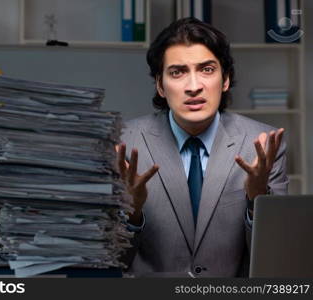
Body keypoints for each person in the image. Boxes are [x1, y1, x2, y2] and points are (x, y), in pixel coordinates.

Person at [117, 18, 288, 277]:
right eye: (177, 72)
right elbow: (111, 261)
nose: (194, 86)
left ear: (226, 79)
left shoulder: (263, 144)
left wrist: (257, 199)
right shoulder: (122, 144)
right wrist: (132, 213)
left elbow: (275, 258)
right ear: (160, 86)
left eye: (207, 69)